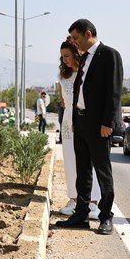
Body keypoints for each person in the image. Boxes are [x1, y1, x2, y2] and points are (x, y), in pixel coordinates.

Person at [56, 19, 123, 235]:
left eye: (76, 38)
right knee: (82, 171)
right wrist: (75, 120)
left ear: (87, 34)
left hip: (99, 125)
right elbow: (78, 91)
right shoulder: (84, 58)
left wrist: (108, 123)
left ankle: (105, 216)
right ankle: (81, 214)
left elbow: (113, 93)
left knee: (103, 171)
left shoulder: (109, 54)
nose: (74, 43)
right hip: (81, 122)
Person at [56, 39, 101, 219]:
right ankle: (74, 199)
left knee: (90, 161)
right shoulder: (62, 77)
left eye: (67, 55)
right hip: (68, 122)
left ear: (76, 53)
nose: (65, 60)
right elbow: (63, 101)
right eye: (62, 57)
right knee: (70, 161)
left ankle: (93, 203)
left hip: (86, 120)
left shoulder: (86, 73)